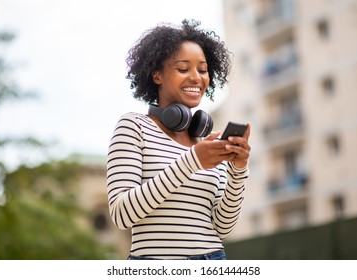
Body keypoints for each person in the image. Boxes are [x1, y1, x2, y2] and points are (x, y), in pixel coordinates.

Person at [106, 19, 251, 260]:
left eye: (202, 70)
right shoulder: (134, 126)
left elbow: (222, 227)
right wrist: (192, 161)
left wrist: (238, 170)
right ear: (157, 76)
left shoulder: (205, 143)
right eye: (183, 69)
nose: (196, 78)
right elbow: (122, 215)